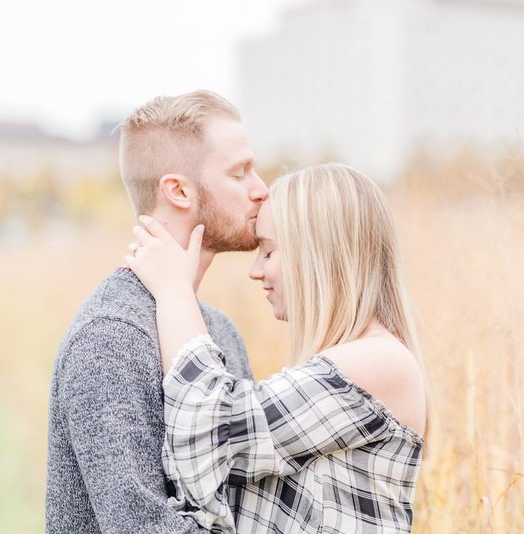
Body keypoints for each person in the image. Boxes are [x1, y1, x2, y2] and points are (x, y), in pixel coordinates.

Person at [126, 163, 428, 533]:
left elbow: (210, 436)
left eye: (268, 252)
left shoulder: (379, 362)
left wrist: (175, 291)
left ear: (316, 255)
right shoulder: (358, 360)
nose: (256, 271)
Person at [45, 90, 268, 534]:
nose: (261, 189)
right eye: (239, 174)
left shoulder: (221, 330)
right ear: (178, 191)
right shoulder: (110, 339)